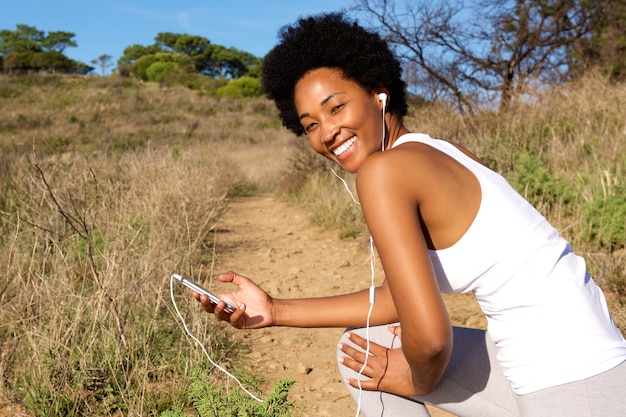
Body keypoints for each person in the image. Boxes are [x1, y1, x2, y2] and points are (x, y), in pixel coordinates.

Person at [195, 12, 626, 417]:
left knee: (393, 361)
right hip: (550, 363)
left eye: (335, 107)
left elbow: (432, 341)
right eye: (310, 125)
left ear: (377, 92)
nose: (326, 132)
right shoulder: (436, 150)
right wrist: (274, 309)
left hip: (577, 382)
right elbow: (393, 300)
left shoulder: (384, 172)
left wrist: (416, 378)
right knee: (366, 347)